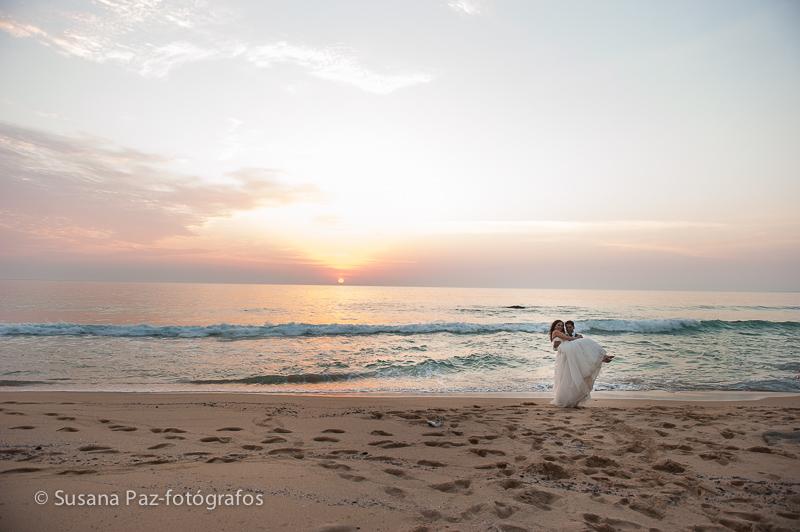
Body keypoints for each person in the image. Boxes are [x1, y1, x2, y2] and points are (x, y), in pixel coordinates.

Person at [548, 319, 613, 408]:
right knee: (586, 343)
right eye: (558, 325)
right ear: (554, 326)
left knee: (570, 373)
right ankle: (602, 357)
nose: (560, 327)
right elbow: (568, 339)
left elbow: (560, 343)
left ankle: (602, 357)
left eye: (561, 325)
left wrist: (574, 339)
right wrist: (577, 338)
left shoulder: (561, 333)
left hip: (565, 351)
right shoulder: (556, 332)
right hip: (566, 349)